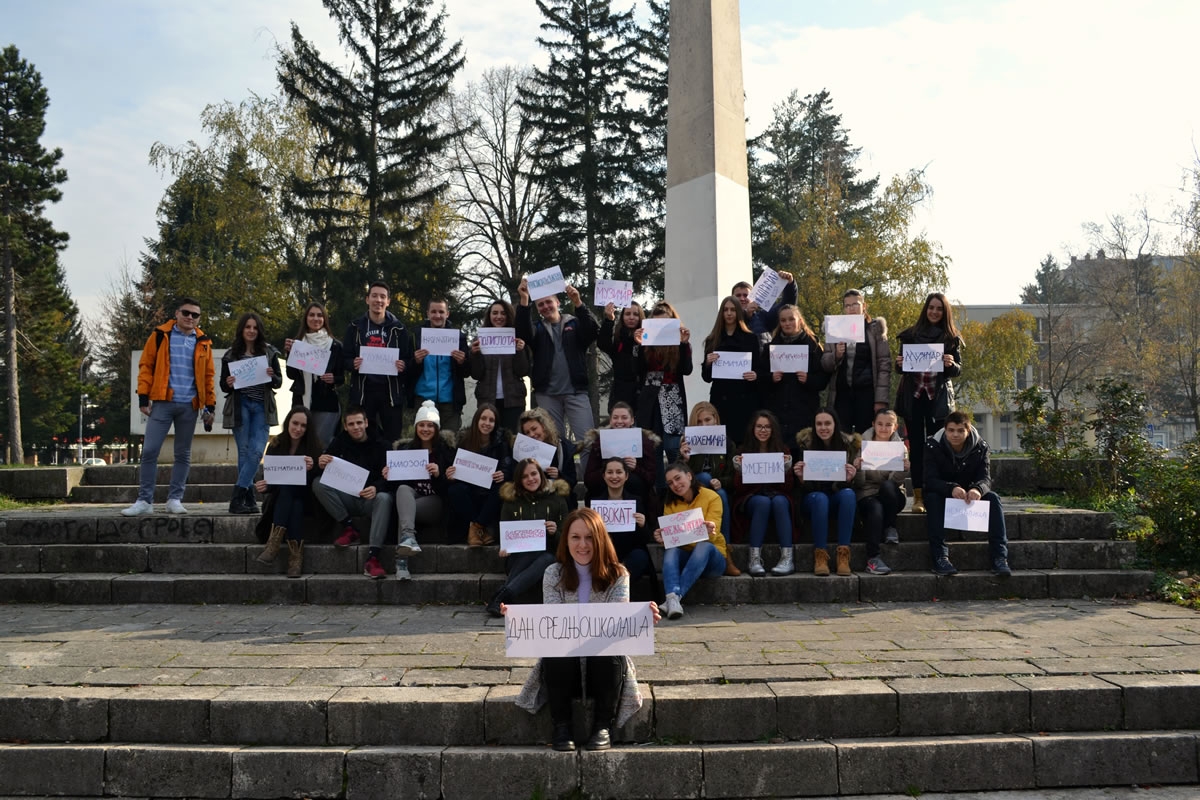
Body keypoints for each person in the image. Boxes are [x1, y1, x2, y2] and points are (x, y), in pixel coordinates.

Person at [513, 508, 661, 752]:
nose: (583, 545)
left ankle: (603, 725)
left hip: (603, 672)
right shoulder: (553, 573)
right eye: (575, 537)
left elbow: (616, 624)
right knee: (556, 646)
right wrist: (521, 620)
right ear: (566, 540)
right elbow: (554, 624)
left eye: (590, 537)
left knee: (607, 643)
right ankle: (561, 726)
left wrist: (640, 619)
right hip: (564, 673)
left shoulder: (618, 574)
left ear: (600, 539)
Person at [123, 297, 216, 517]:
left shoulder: (203, 341)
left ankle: (175, 499)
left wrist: (209, 405)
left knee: (182, 454)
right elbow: (146, 366)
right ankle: (145, 500)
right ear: (176, 313)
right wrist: (143, 397)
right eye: (186, 313)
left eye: (195, 315)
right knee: (150, 451)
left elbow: (208, 376)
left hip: (190, 405)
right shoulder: (159, 336)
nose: (190, 318)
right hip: (163, 401)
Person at [515, 277, 599, 474]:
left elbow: (592, 331)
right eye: (541, 304)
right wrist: (524, 299)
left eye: (548, 302)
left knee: (588, 440)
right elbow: (523, 333)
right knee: (552, 443)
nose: (545, 307)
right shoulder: (537, 328)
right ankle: (559, 484)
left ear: (558, 302)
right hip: (548, 394)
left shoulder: (575, 323)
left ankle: (588, 484)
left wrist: (578, 303)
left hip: (576, 392)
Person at [895, 292, 963, 514]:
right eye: (931, 307)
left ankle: (937, 492)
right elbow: (900, 367)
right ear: (925, 309)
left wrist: (951, 364)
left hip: (938, 400)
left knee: (937, 448)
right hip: (913, 398)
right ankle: (918, 495)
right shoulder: (910, 335)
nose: (934, 312)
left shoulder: (951, 338)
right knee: (916, 448)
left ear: (945, 312)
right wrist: (899, 363)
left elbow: (957, 370)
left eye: (939, 309)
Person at [924, 411, 1011, 577]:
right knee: (932, 499)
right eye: (951, 430)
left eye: (960, 430)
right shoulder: (932, 445)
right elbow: (930, 480)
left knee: (993, 498)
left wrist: (977, 489)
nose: (955, 434)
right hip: (943, 493)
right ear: (945, 430)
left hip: (970, 496)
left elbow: (986, 479)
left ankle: (1000, 557)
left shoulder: (981, 447)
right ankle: (940, 557)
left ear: (968, 430)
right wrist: (951, 488)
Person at [485, 458, 573, 617]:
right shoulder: (510, 502)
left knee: (545, 557)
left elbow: (567, 540)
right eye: (525, 476)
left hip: (551, 556)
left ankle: (502, 596)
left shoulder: (557, 499)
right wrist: (504, 548)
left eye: (534, 474)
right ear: (519, 480)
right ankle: (504, 596)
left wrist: (555, 533)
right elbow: (505, 534)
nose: (530, 479)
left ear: (541, 475)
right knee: (532, 552)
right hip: (519, 559)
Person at [381, 400, 454, 580]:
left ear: (436, 428)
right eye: (421, 425)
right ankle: (407, 544)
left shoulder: (446, 451)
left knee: (406, 511)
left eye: (430, 425)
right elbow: (397, 487)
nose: (425, 429)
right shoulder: (406, 449)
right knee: (404, 491)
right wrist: (389, 475)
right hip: (410, 499)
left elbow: (449, 490)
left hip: (434, 503)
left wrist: (439, 475)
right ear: (416, 427)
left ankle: (402, 560)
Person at [314, 407, 392, 575]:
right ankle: (349, 528)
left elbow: (392, 477)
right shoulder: (338, 443)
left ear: (366, 423)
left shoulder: (383, 445)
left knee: (385, 498)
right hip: (347, 499)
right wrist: (321, 464)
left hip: (371, 499)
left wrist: (376, 487)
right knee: (318, 482)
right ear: (345, 426)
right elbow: (328, 474)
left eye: (359, 422)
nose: (356, 427)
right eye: (351, 424)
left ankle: (373, 557)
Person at [220, 312, 283, 515]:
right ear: (242, 329)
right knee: (245, 453)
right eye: (248, 327)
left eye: (255, 327)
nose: (251, 331)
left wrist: (272, 376)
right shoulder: (231, 355)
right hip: (241, 406)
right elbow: (224, 385)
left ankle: (236, 497)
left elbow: (279, 382)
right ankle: (248, 498)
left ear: (259, 330)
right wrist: (228, 383)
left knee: (256, 452)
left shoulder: (269, 353)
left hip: (261, 407)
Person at [253, 406, 325, 577]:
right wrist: (265, 486)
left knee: (294, 495)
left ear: (308, 429)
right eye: (295, 423)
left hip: (307, 498)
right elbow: (272, 480)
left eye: (303, 426)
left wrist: (313, 468)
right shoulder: (275, 445)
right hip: (281, 500)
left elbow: (318, 480)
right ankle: (295, 557)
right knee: (292, 499)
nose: (298, 429)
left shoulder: (315, 448)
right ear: (288, 423)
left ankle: (273, 545)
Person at [343, 280, 414, 444]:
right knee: (361, 437)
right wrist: (352, 363)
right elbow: (345, 358)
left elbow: (409, 360)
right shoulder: (354, 327)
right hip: (363, 392)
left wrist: (404, 365)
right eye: (374, 296)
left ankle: (389, 470)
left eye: (383, 297)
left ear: (388, 301)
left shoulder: (400, 330)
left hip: (390, 393)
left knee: (393, 438)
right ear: (367, 299)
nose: (378, 300)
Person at [657, 462, 728, 620]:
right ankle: (673, 599)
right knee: (671, 550)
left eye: (678, 478)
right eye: (670, 483)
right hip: (686, 556)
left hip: (712, 559)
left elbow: (714, 535)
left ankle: (674, 596)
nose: (675, 484)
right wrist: (664, 539)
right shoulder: (670, 504)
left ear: (689, 476)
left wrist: (710, 529)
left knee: (704, 546)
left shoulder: (712, 497)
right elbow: (673, 540)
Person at [794, 408, 860, 576]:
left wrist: (851, 478)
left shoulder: (848, 446)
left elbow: (856, 486)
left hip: (837, 496)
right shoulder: (804, 446)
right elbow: (802, 489)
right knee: (820, 498)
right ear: (814, 426)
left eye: (827, 423)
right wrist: (801, 478)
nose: (823, 428)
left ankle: (843, 554)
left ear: (835, 425)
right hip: (814, 498)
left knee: (848, 494)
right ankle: (820, 555)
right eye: (819, 424)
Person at [634, 301, 693, 488]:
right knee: (654, 451)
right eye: (657, 323)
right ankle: (659, 492)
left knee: (673, 447)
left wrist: (683, 345)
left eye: (665, 324)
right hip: (650, 403)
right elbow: (638, 372)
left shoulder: (681, 344)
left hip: (673, 401)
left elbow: (686, 370)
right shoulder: (645, 345)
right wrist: (641, 345)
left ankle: (679, 486)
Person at [732, 411, 796, 576]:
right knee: (763, 502)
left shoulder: (782, 450)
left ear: (773, 429)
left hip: (777, 495)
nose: (763, 430)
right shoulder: (743, 451)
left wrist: (786, 469)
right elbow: (738, 488)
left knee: (780, 502)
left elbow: (789, 487)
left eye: (767, 427)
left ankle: (787, 558)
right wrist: (740, 471)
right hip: (752, 497)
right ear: (753, 429)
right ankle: (754, 558)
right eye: (759, 426)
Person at [820, 289, 891, 434]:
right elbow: (825, 364)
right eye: (847, 305)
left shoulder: (875, 330)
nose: (851, 308)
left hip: (866, 394)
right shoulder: (835, 328)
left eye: (855, 304)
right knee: (841, 436)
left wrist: (880, 399)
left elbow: (884, 365)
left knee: (865, 436)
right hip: (841, 394)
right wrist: (836, 356)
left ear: (864, 306)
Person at [586, 457, 657, 595]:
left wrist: (642, 525)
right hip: (604, 553)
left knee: (640, 557)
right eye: (610, 472)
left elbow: (645, 539)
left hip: (629, 555)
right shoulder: (595, 503)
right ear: (604, 476)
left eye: (619, 472)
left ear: (626, 476)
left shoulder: (636, 501)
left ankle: (612, 591)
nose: (614, 476)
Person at [853, 408, 909, 575]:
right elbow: (859, 483)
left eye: (888, 425)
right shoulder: (861, 445)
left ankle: (891, 526)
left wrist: (904, 470)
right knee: (875, 509)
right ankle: (873, 558)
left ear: (895, 426)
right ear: (873, 424)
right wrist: (859, 468)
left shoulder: (900, 448)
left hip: (891, 496)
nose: (884, 428)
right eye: (880, 424)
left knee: (887, 487)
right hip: (867, 493)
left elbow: (895, 482)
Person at [448, 403, 512, 546]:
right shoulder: (464, 441)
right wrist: (451, 474)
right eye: (483, 419)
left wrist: (504, 474)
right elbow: (456, 468)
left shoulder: (502, 442)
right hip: (470, 491)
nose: (487, 423)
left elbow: (507, 466)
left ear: (496, 424)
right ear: (477, 420)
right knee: (455, 490)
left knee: (501, 488)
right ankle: (480, 529)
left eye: (491, 420)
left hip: (490, 493)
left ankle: (476, 527)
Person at [701, 296, 761, 446]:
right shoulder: (712, 340)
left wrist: (755, 375)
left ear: (739, 313)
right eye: (726, 310)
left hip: (744, 401)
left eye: (733, 310)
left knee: (743, 443)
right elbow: (706, 378)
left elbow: (759, 369)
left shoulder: (751, 339)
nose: (729, 313)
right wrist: (708, 363)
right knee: (721, 444)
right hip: (720, 399)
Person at [764, 304, 828, 445]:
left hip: (805, 411)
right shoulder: (771, 348)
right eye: (783, 320)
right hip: (778, 412)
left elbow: (823, 380)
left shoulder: (814, 347)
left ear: (799, 320)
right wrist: (771, 378)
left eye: (791, 319)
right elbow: (760, 378)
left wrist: (809, 379)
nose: (787, 323)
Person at [284, 302, 344, 447]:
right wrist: (289, 354)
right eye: (311, 315)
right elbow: (291, 375)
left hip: (326, 403)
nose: (315, 318)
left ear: (324, 319)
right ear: (306, 318)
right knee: (300, 445)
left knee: (322, 446)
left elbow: (341, 378)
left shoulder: (335, 346)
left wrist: (333, 379)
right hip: (302, 401)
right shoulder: (297, 344)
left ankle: (319, 471)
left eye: (319, 315)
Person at [679, 401, 736, 552]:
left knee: (722, 493)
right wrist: (684, 459)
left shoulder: (727, 443)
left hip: (717, 492)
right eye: (699, 422)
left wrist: (720, 482)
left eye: (707, 420)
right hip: (694, 491)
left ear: (715, 419)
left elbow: (733, 477)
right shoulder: (686, 442)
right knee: (704, 476)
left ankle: (725, 546)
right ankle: (724, 545)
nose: (703, 425)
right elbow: (676, 476)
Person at [468, 299, 530, 435]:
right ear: (489, 316)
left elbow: (523, 371)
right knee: (489, 438)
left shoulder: (517, 338)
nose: (499, 317)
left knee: (512, 439)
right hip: (487, 399)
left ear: (508, 315)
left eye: (503, 313)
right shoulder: (479, 340)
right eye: (495, 313)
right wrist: (475, 355)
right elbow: (476, 374)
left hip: (514, 400)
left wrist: (520, 351)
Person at [410, 296, 470, 435]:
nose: (437, 316)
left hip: (450, 401)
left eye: (441, 312)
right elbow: (406, 369)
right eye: (434, 312)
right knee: (423, 442)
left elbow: (467, 371)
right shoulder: (416, 336)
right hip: (423, 400)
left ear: (447, 314)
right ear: (427, 313)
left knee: (448, 443)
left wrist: (462, 362)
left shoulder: (459, 337)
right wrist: (416, 361)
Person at [581, 402, 658, 508]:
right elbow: (588, 481)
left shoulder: (644, 442)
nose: (619, 421)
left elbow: (651, 479)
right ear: (610, 420)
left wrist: (636, 468)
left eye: (624, 417)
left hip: (637, 498)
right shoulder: (599, 443)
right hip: (604, 498)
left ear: (632, 420)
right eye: (615, 418)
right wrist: (607, 469)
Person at [598, 301, 643, 413]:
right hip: (619, 395)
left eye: (635, 314)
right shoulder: (618, 339)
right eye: (627, 314)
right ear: (622, 317)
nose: (631, 317)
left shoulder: (648, 339)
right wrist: (609, 320)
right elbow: (603, 344)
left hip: (641, 394)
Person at [518, 407, 578, 491]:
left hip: (557, 498)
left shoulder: (563, 447)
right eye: (527, 432)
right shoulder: (521, 450)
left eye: (534, 429)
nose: (531, 434)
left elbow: (572, 480)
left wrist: (559, 475)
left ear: (544, 426)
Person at [732, 270, 797, 341]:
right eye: (738, 295)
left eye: (746, 295)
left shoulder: (763, 317)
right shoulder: (726, 318)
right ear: (732, 298)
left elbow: (786, 305)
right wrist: (745, 314)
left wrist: (790, 285)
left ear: (753, 297)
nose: (742, 298)